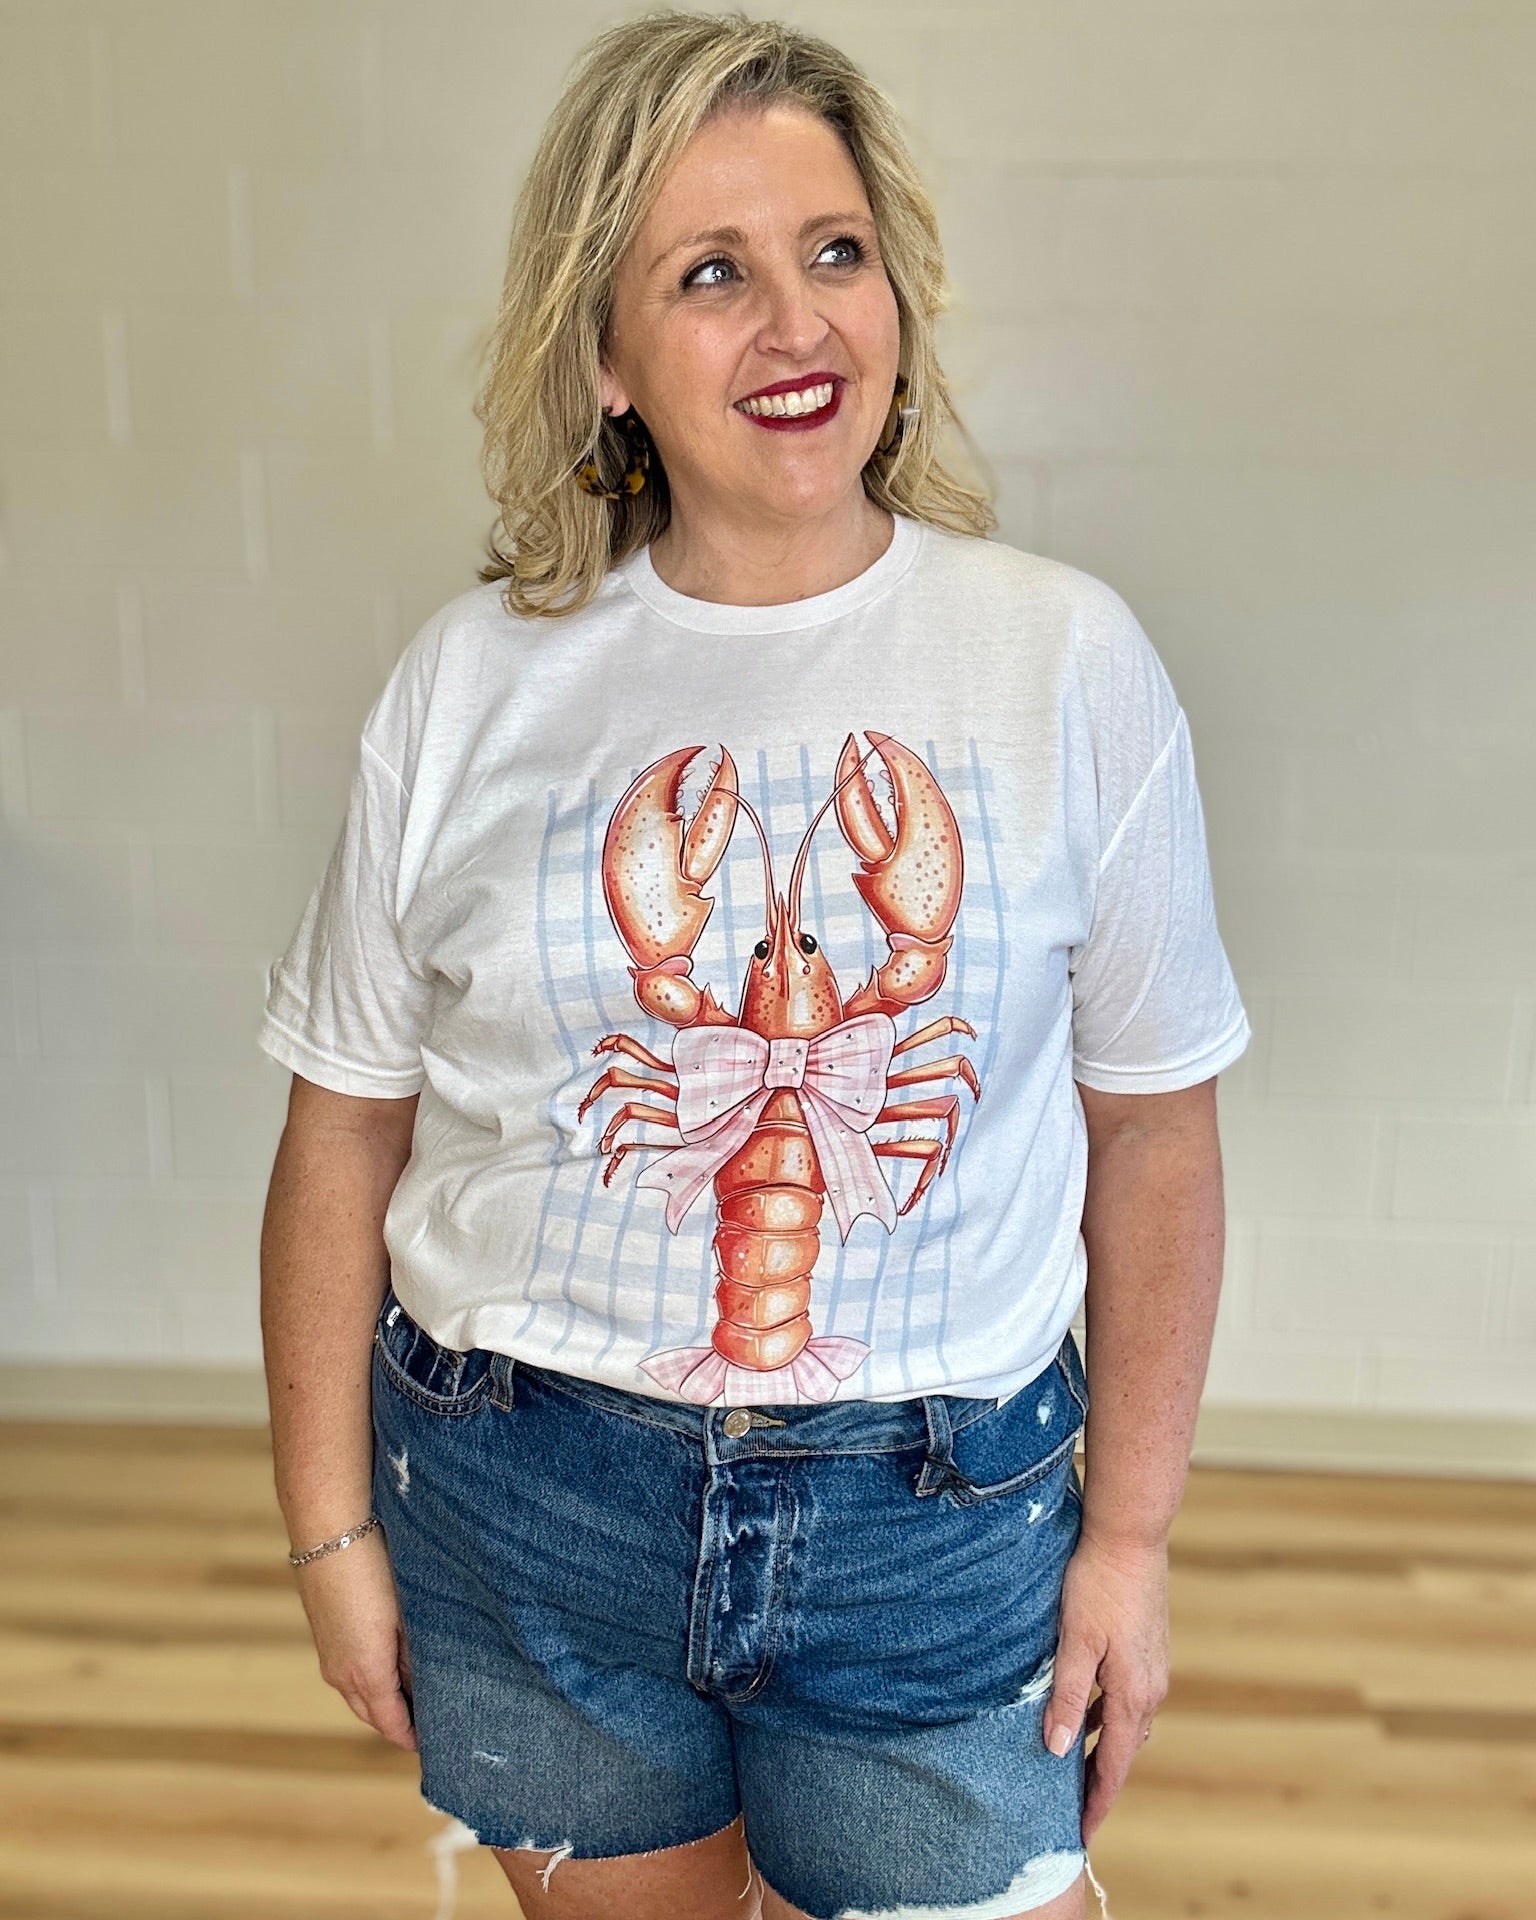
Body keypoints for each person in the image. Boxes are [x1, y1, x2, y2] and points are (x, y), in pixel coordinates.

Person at [257, 12, 1250, 1920]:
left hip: (934, 1522)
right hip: (528, 1494)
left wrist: (1129, 1540)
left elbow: (1154, 1132)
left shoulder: (1065, 659)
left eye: (834, 251)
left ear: (898, 297)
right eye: (709, 273)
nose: (797, 323)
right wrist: (329, 1531)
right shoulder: (471, 680)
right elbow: (343, 1123)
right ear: (605, 358)